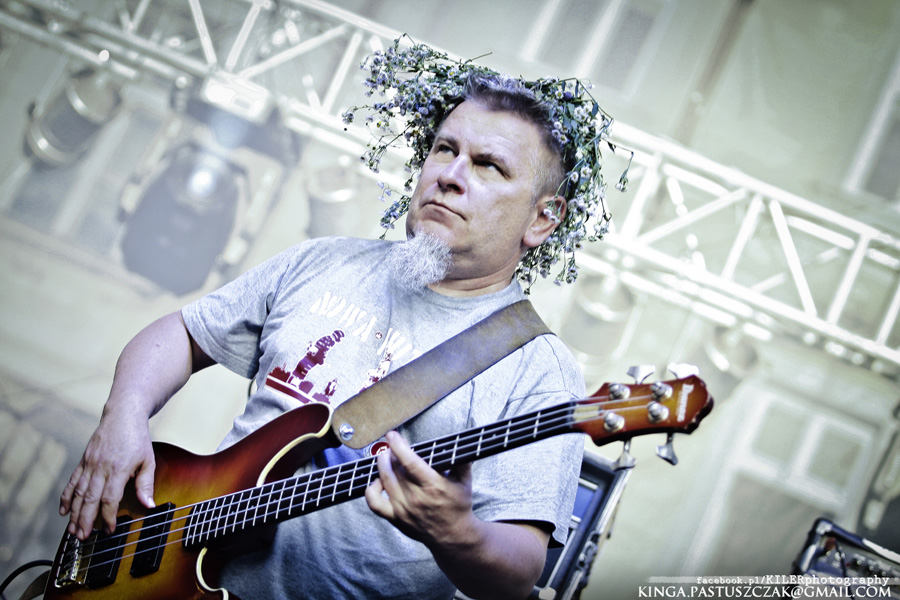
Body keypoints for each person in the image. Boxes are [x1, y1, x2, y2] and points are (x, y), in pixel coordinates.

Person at [59, 45, 617, 599]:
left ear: (543, 219)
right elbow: (182, 333)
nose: (450, 175)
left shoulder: (536, 367)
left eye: (488, 166)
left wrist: (458, 533)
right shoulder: (325, 262)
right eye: (445, 149)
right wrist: (123, 415)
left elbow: (520, 570)